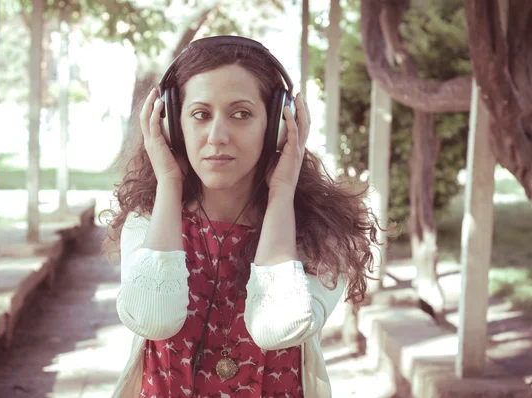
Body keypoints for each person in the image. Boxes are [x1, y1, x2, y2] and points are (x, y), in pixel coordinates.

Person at [103, 35, 380, 398]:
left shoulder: (317, 232)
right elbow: (155, 320)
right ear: (173, 125)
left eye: (241, 114)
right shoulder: (149, 222)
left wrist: (282, 193)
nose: (217, 136)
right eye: (200, 115)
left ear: (279, 125)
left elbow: (276, 328)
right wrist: (169, 183)